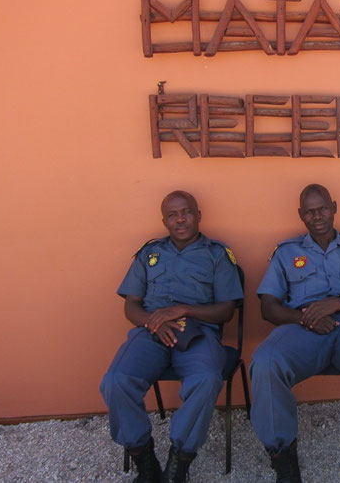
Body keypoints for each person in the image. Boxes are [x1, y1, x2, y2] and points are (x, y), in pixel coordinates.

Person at [100, 191, 244, 482]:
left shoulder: (217, 254)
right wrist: (153, 322)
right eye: (172, 214)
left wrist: (181, 310)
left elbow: (226, 310)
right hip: (151, 331)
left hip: (198, 332)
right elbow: (131, 304)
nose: (180, 219)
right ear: (164, 220)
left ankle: (181, 459)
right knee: (116, 381)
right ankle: (144, 456)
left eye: (186, 212)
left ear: (198, 215)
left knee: (206, 379)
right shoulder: (149, 254)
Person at [251, 184, 340, 482]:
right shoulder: (286, 253)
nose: (317, 215)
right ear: (301, 215)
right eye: (309, 211)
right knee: (266, 361)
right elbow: (268, 308)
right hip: (302, 328)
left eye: (322, 208)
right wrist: (305, 318)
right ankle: (283, 458)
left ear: (334, 207)